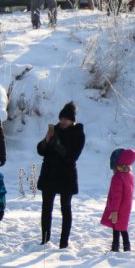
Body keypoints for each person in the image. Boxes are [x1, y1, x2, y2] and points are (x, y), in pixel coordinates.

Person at [36, 102, 85, 249]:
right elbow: (40, 150)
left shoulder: (78, 133)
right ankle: (45, 239)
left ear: (72, 120)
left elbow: (72, 157)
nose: (63, 121)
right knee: (46, 208)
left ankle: (64, 242)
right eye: (61, 118)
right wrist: (46, 141)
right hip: (49, 173)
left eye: (66, 119)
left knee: (65, 208)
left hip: (66, 175)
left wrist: (58, 145)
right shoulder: (54, 130)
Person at [101, 148, 135, 252]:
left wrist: (114, 210)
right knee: (121, 227)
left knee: (117, 227)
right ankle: (126, 247)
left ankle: (115, 247)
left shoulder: (117, 177)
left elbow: (117, 196)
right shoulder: (129, 174)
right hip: (126, 206)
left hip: (118, 207)